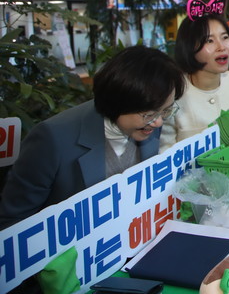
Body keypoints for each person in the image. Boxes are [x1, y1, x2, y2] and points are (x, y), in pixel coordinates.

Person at [0, 45, 186, 229]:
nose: (158, 122)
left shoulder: (149, 124)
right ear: (120, 102)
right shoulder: (51, 140)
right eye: (149, 114)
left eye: (166, 111)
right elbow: (13, 222)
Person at [161, 0, 229, 151]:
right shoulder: (172, 92)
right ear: (189, 46)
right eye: (209, 41)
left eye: (225, 37)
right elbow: (165, 150)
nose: (222, 47)